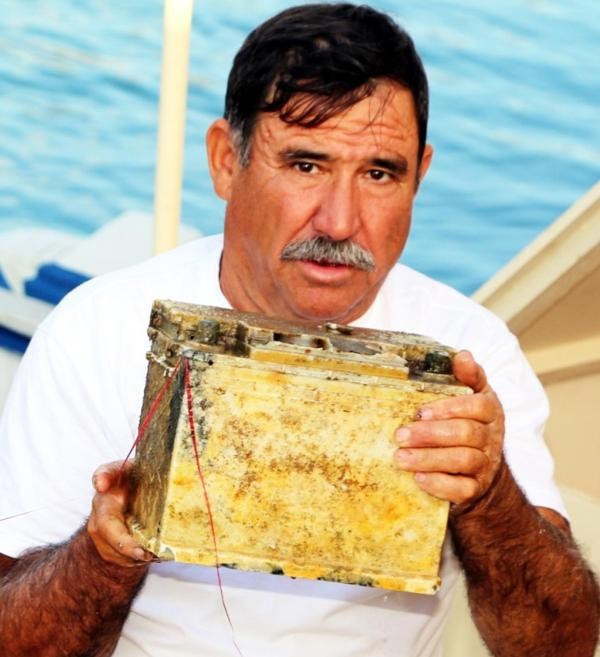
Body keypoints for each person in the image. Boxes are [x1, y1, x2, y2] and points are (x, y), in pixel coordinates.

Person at [0, 3, 598, 656]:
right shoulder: (97, 330)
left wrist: (489, 498)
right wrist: (103, 556)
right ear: (226, 161)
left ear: (419, 176)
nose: (339, 222)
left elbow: (562, 646)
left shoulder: (469, 353)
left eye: (379, 173)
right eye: (306, 165)